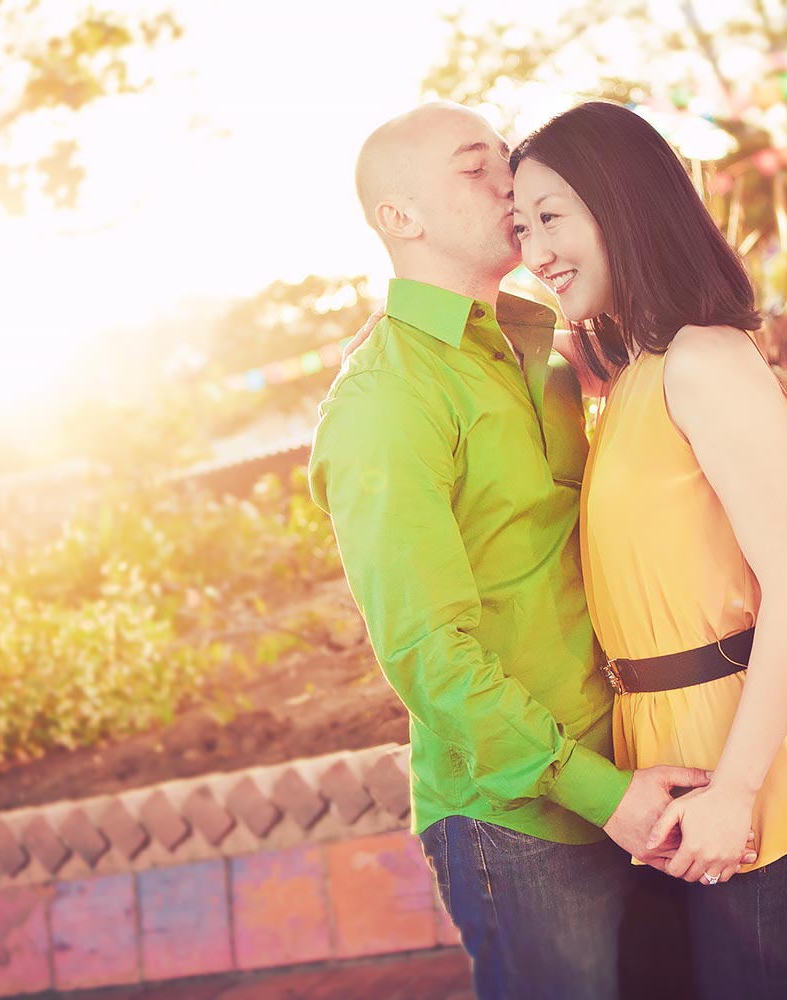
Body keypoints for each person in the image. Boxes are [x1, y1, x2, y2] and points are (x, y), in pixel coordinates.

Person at [308, 102, 756, 1000]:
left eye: (503, 159)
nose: (509, 182)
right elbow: (427, 653)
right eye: (475, 169)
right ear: (402, 219)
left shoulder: (546, 354)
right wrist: (596, 790)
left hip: (642, 769)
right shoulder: (385, 402)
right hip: (519, 822)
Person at [509, 100, 787, 999]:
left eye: (552, 215)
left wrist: (736, 794)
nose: (535, 250)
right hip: (658, 776)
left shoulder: (707, 360)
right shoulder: (634, 372)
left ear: (623, 201)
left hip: (740, 777)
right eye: (521, 226)